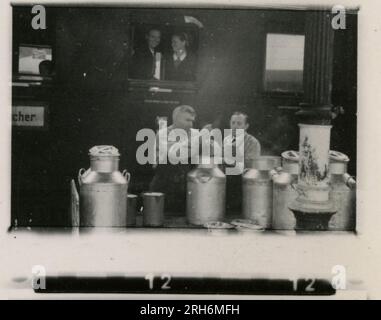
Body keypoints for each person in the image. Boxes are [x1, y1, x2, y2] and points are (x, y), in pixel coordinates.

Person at [149, 105, 198, 215]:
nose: (191, 124)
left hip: (185, 186)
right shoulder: (162, 134)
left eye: (192, 121)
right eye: (187, 120)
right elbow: (175, 153)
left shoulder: (195, 134)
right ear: (176, 119)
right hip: (163, 185)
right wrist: (193, 144)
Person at [223, 112, 261, 216]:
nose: (235, 126)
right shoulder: (226, 140)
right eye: (233, 123)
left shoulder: (253, 142)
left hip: (243, 183)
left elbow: (251, 165)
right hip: (227, 182)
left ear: (246, 126)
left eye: (239, 124)